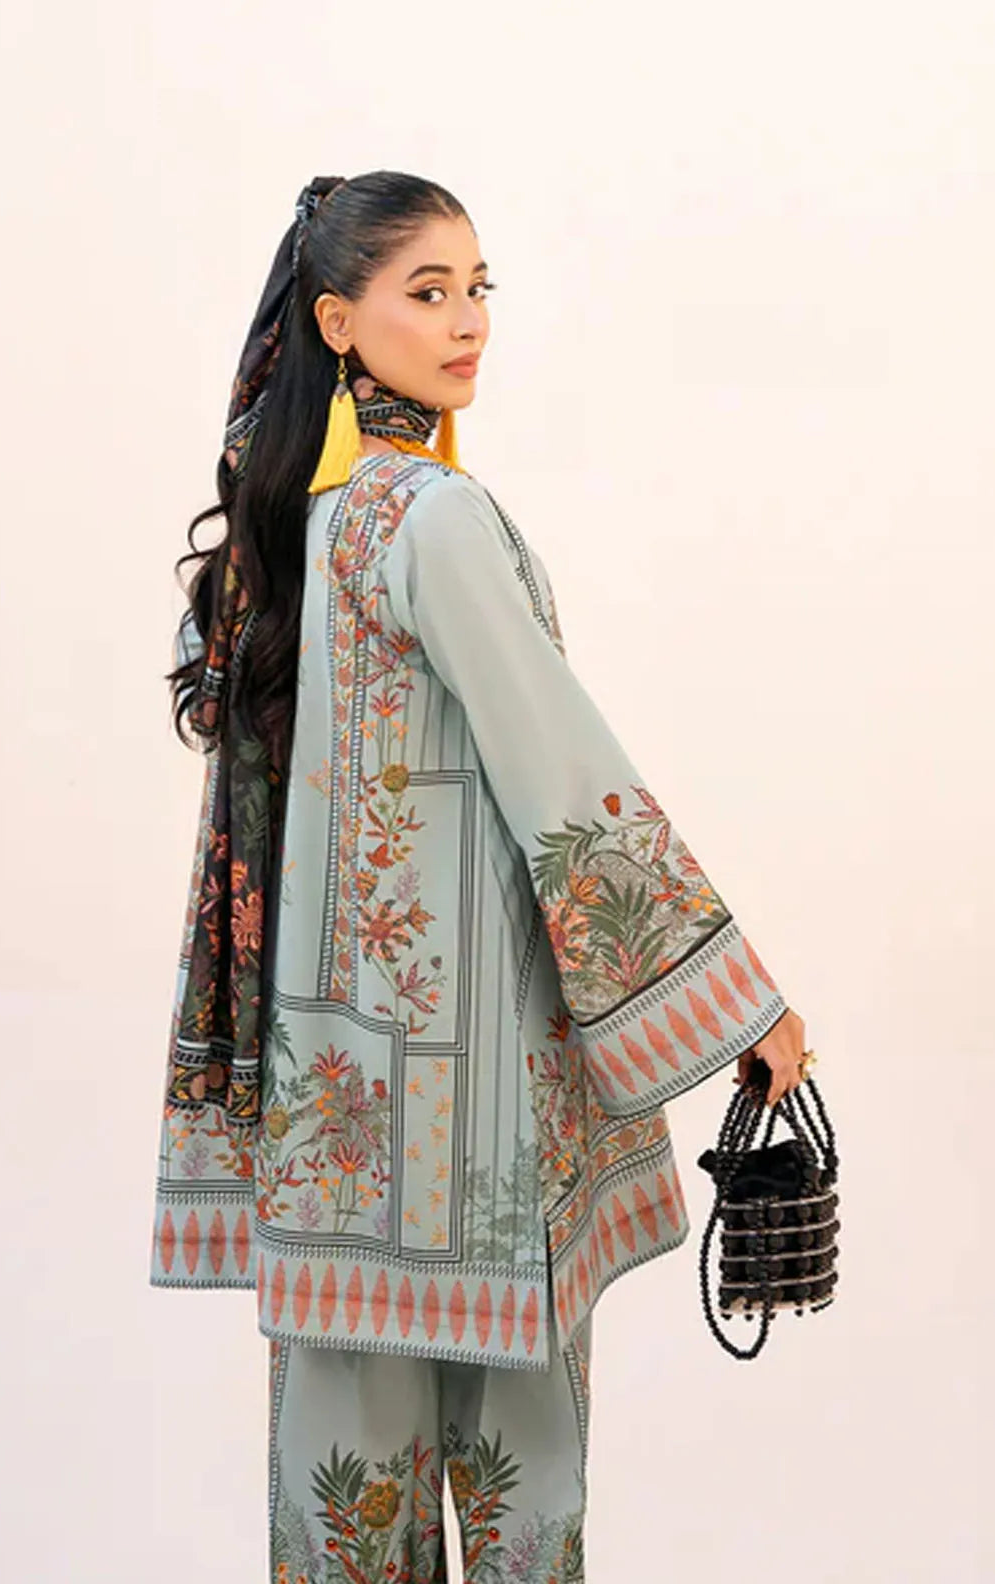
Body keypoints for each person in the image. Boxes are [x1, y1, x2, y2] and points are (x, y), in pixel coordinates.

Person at [149, 170, 812, 1583]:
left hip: (334, 1113)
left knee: (339, 1501)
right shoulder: (429, 518)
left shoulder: (299, 525)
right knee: (526, 1496)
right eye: (427, 291)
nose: (467, 324)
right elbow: (558, 764)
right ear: (338, 321)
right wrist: (740, 1005)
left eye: (476, 289)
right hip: (480, 1115)